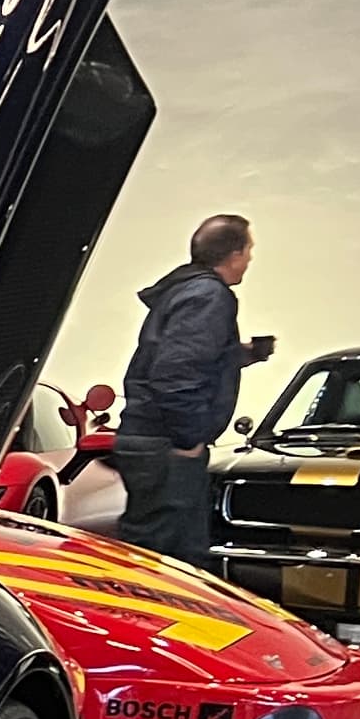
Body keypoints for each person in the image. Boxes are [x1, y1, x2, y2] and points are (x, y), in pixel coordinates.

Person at [112, 212, 275, 568]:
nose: (250, 259)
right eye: (248, 250)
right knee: (168, 563)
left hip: (150, 438)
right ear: (234, 254)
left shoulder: (184, 290)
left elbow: (182, 358)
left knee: (150, 552)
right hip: (168, 445)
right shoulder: (209, 296)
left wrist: (241, 354)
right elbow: (174, 375)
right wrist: (189, 439)